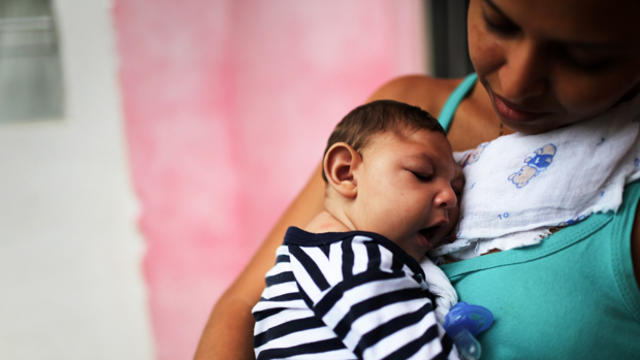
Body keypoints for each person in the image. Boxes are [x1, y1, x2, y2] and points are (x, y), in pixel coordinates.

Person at [195, 0, 640, 358]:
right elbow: (239, 310)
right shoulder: (398, 124)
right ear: (346, 171)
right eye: (499, 22)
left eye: (583, 57)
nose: (518, 82)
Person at [252, 100, 466, 359]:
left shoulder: (318, 260)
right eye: (421, 173)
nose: (450, 199)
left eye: (455, 188)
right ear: (346, 173)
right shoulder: (353, 262)